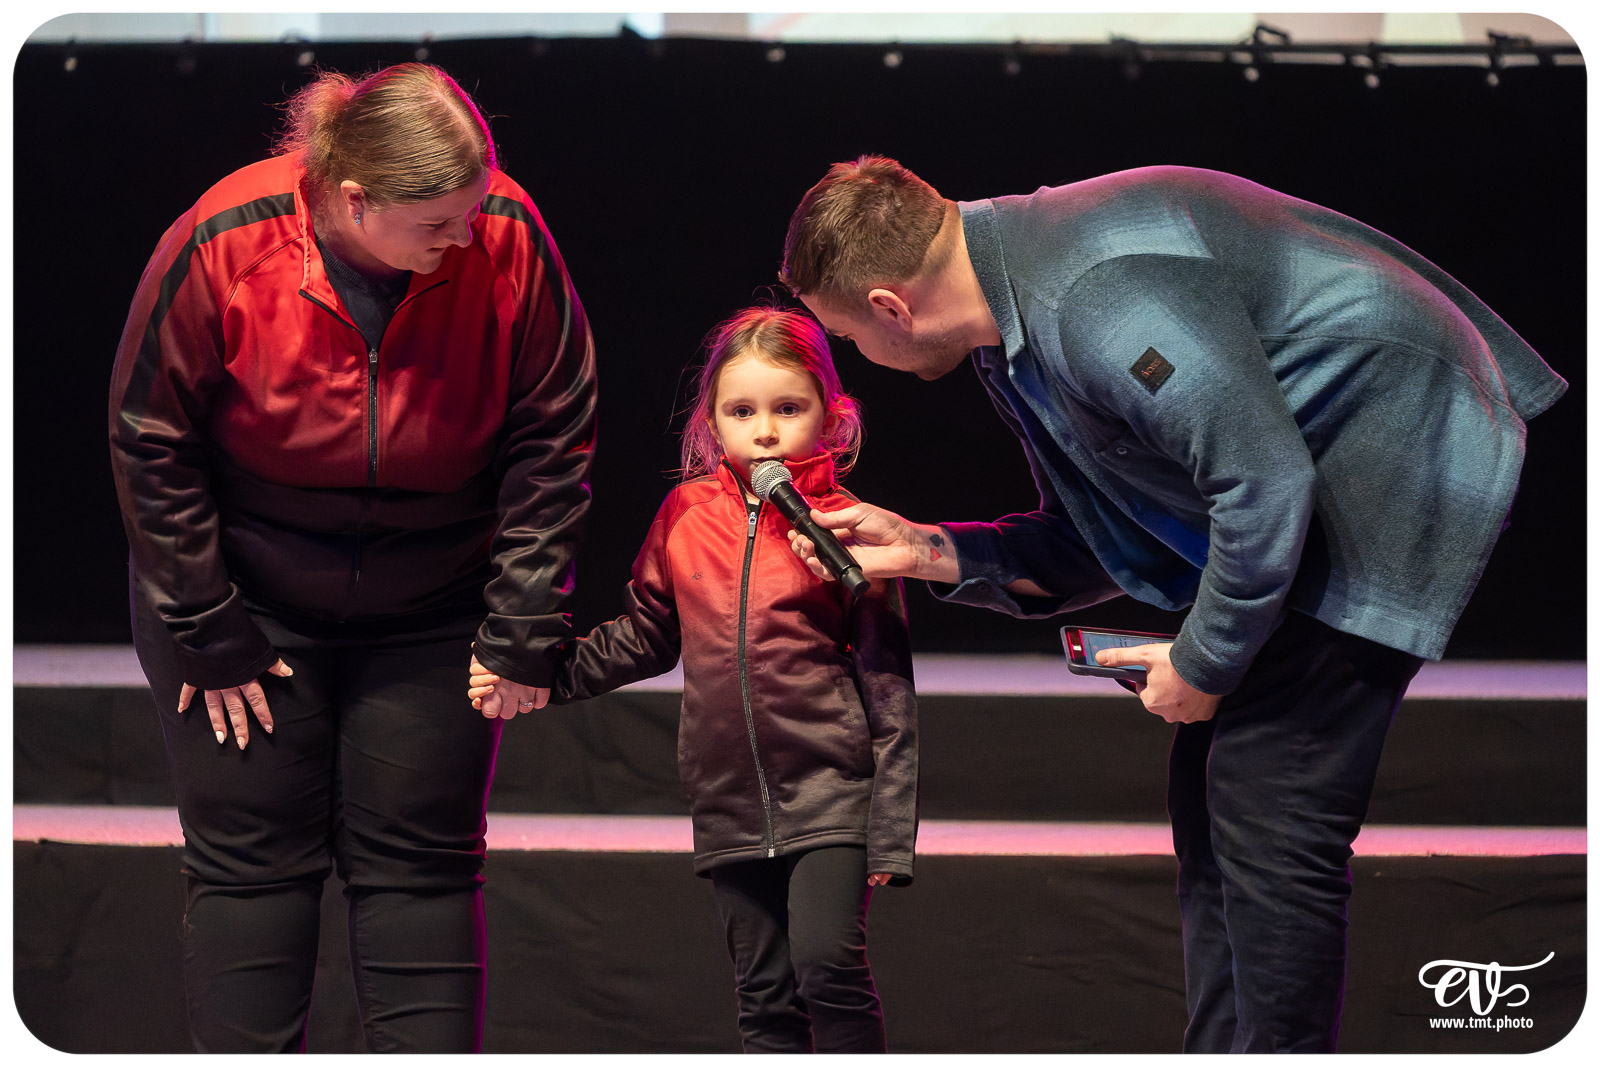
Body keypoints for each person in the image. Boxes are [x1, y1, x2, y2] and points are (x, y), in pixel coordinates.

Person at [778, 156, 1566, 1052]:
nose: (859, 361)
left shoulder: (1087, 297)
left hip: (1393, 434)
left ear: (890, 306)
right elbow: (1105, 535)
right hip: (1312, 468)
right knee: (1211, 788)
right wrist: (925, 549)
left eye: (845, 339)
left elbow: (1263, 481)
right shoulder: (1016, 318)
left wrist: (1204, 660)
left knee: (1270, 798)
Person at [107, 63, 597, 1052]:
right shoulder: (222, 237)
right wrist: (206, 622)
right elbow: (149, 437)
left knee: (422, 863)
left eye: (473, 211)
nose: (467, 235)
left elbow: (555, 427)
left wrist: (522, 615)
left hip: (438, 595)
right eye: (439, 224)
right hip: (243, 592)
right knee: (253, 864)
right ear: (354, 198)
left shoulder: (504, 227)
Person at [470, 306, 918, 1053]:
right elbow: (646, 633)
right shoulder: (685, 513)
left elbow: (890, 691)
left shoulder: (850, 527)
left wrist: (890, 833)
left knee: (825, 965)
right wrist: (542, 675)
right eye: (742, 411)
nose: (765, 430)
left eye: (788, 408)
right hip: (729, 797)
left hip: (833, 794)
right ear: (712, 419)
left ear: (832, 417)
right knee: (765, 992)